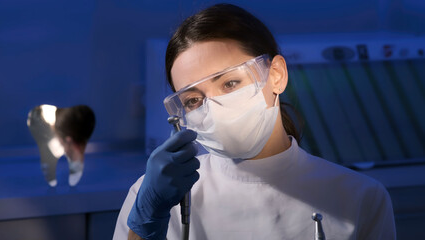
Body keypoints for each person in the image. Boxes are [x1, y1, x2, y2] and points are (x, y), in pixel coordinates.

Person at [113, 3, 396, 240]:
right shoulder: (155, 199)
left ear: (276, 75)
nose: (214, 108)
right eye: (193, 101)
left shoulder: (361, 199)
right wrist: (148, 221)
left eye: (230, 83)